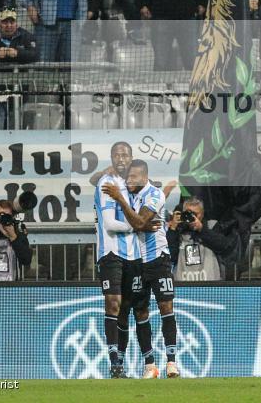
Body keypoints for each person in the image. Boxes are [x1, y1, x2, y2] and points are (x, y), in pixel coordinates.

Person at [102, 160, 180, 379]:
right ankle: (150, 365)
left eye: (133, 177)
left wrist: (119, 199)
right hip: (135, 260)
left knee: (166, 306)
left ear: (145, 177)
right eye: (127, 177)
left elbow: (139, 222)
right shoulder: (128, 192)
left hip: (158, 259)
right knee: (140, 312)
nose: (129, 181)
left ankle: (171, 363)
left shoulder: (154, 195)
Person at [93, 141, 143, 379]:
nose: (121, 158)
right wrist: (138, 227)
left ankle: (120, 362)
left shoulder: (133, 184)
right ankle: (114, 363)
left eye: (125, 154)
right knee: (113, 303)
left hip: (133, 256)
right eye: (116, 155)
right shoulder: (106, 182)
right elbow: (110, 224)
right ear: (111, 158)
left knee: (126, 309)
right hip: (111, 253)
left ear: (131, 157)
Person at [166, 197, 238, 282]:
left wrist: (201, 229)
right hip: (183, 286)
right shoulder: (178, 230)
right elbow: (170, 257)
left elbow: (223, 246)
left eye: (195, 214)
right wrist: (173, 229)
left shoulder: (212, 226)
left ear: (202, 214)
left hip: (210, 285)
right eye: (189, 213)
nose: (192, 217)